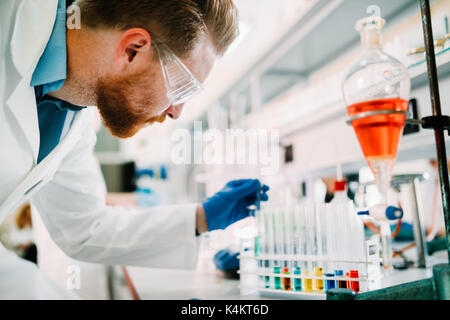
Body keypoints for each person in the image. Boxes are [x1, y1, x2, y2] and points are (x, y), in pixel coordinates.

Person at [0, 0, 269, 299]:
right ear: (132, 50)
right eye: (182, 88)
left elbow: (86, 227)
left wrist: (201, 217)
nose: (176, 111)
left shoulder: (73, 109)